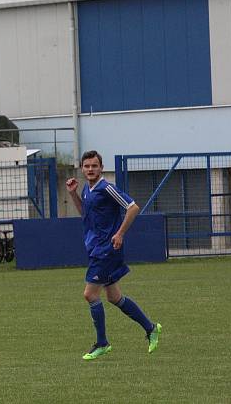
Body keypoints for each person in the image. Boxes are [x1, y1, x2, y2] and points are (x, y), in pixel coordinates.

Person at [66, 150, 162, 361]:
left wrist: (119, 233)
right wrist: (73, 194)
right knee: (114, 297)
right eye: (87, 166)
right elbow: (86, 213)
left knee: (90, 295)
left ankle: (102, 343)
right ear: (82, 168)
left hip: (106, 250)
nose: (90, 169)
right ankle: (151, 327)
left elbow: (133, 207)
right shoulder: (86, 189)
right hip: (95, 249)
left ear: (101, 168)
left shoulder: (106, 187)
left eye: (94, 166)